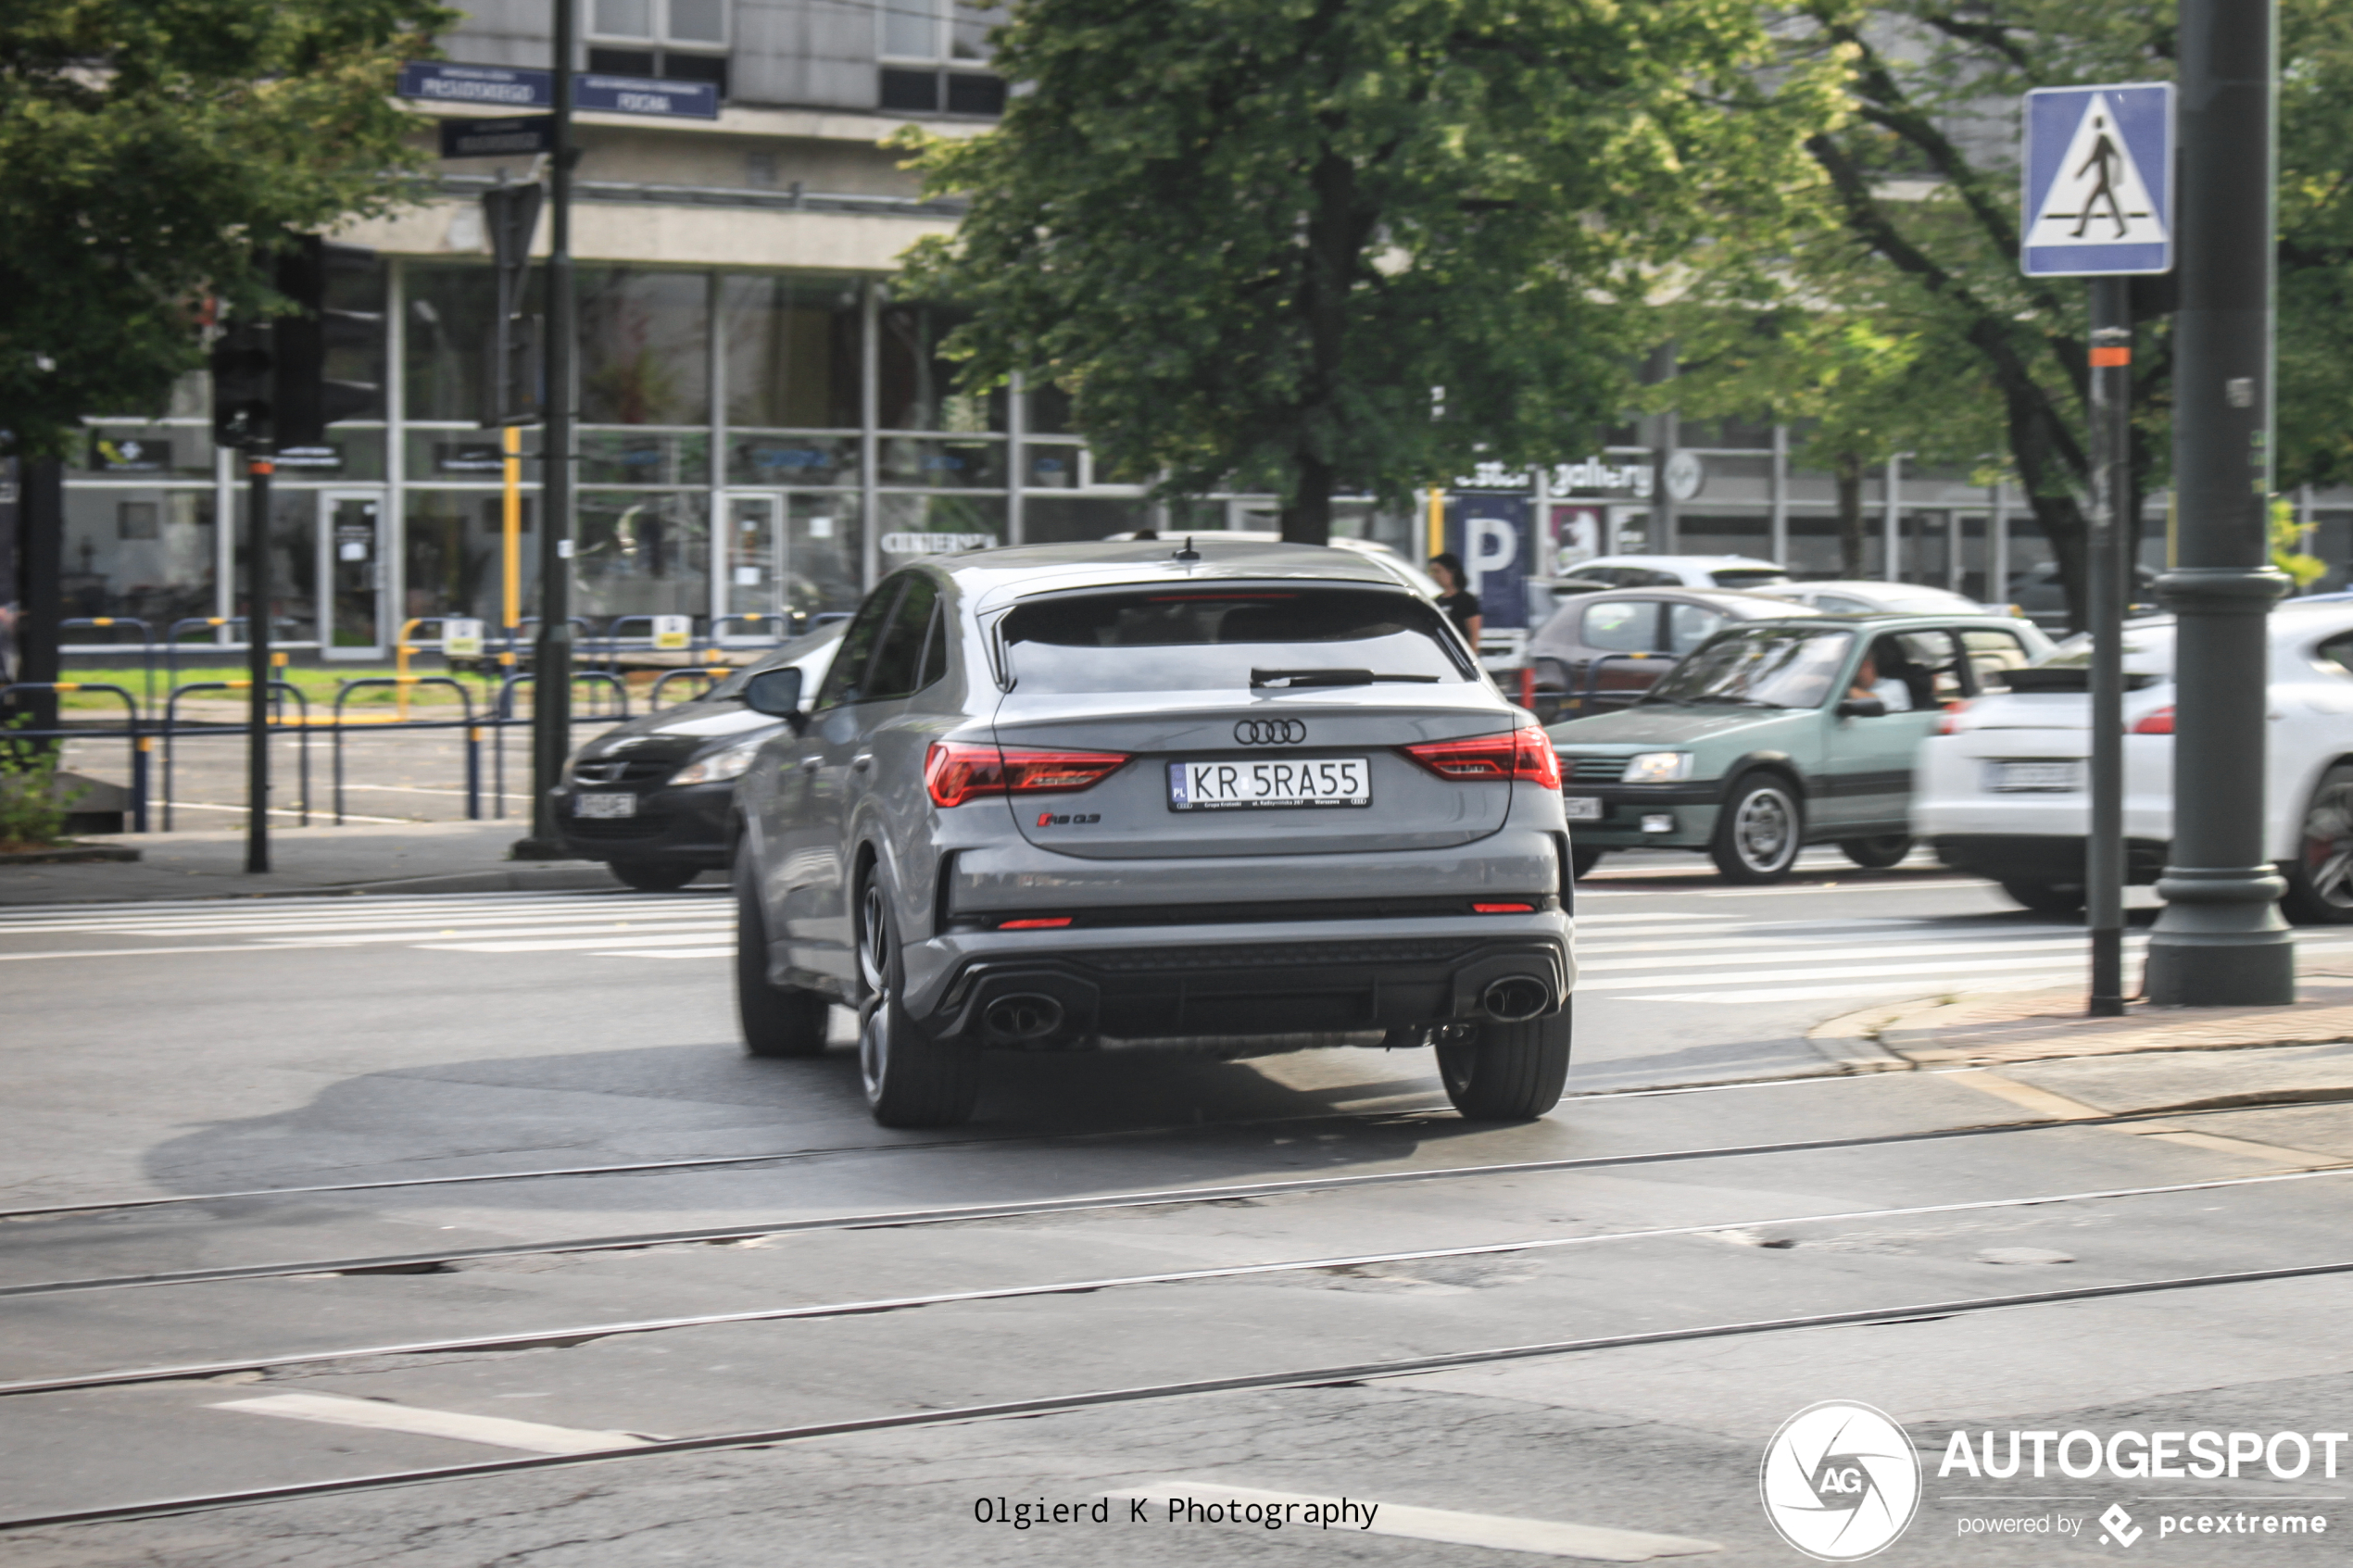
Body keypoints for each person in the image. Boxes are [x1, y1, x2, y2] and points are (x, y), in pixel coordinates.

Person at [1428, 553, 1482, 646]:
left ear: (1451, 572)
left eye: (1437, 571)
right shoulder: (1436, 602)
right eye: (1432, 572)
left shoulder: (1466, 600)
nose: (1434, 576)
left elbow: (1474, 634)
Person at [1847, 648, 1913, 712]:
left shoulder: (1895, 686)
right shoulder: (1857, 689)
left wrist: (1843, 689)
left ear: (1866, 665)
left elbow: (1874, 701)